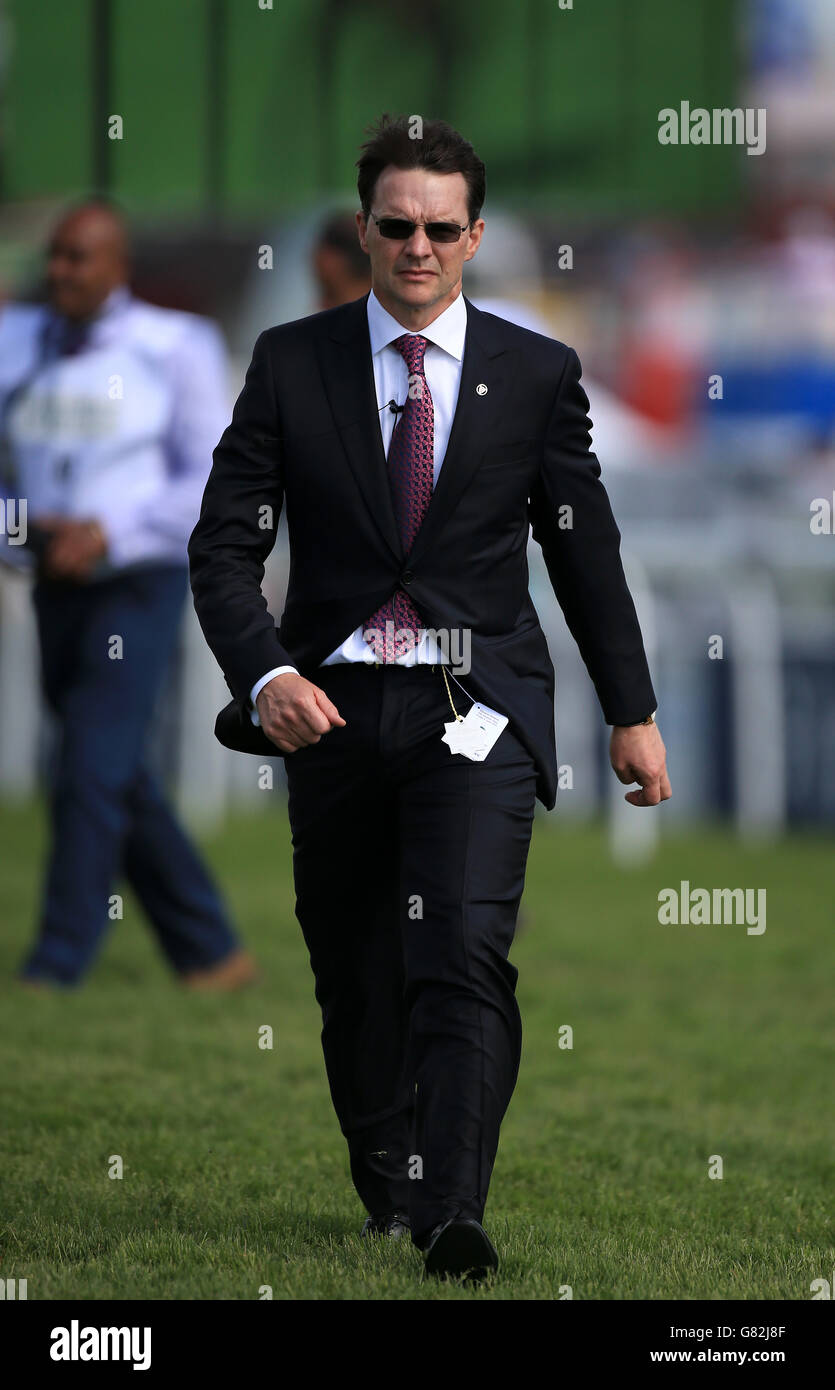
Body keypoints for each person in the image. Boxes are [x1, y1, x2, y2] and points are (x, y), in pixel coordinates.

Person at [188, 115, 671, 1281]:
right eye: (395, 225)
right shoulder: (290, 364)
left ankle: (455, 1209)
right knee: (357, 969)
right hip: (334, 710)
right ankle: (389, 1179)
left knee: (459, 950)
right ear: (362, 229)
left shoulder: (539, 373)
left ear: (475, 236)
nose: (416, 246)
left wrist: (630, 708)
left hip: (481, 705)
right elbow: (221, 548)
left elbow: (583, 552)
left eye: (439, 229)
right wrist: (268, 673)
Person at [0, 199, 255, 991]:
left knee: (86, 764)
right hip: (52, 577)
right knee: (110, 767)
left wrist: (107, 531)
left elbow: (208, 474)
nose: (61, 271)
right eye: (56, 256)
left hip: (136, 580)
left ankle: (57, 961)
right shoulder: (13, 341)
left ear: (119, 267)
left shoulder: (173, 344)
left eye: (80, 257)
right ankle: (211, 950)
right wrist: (25, 533)